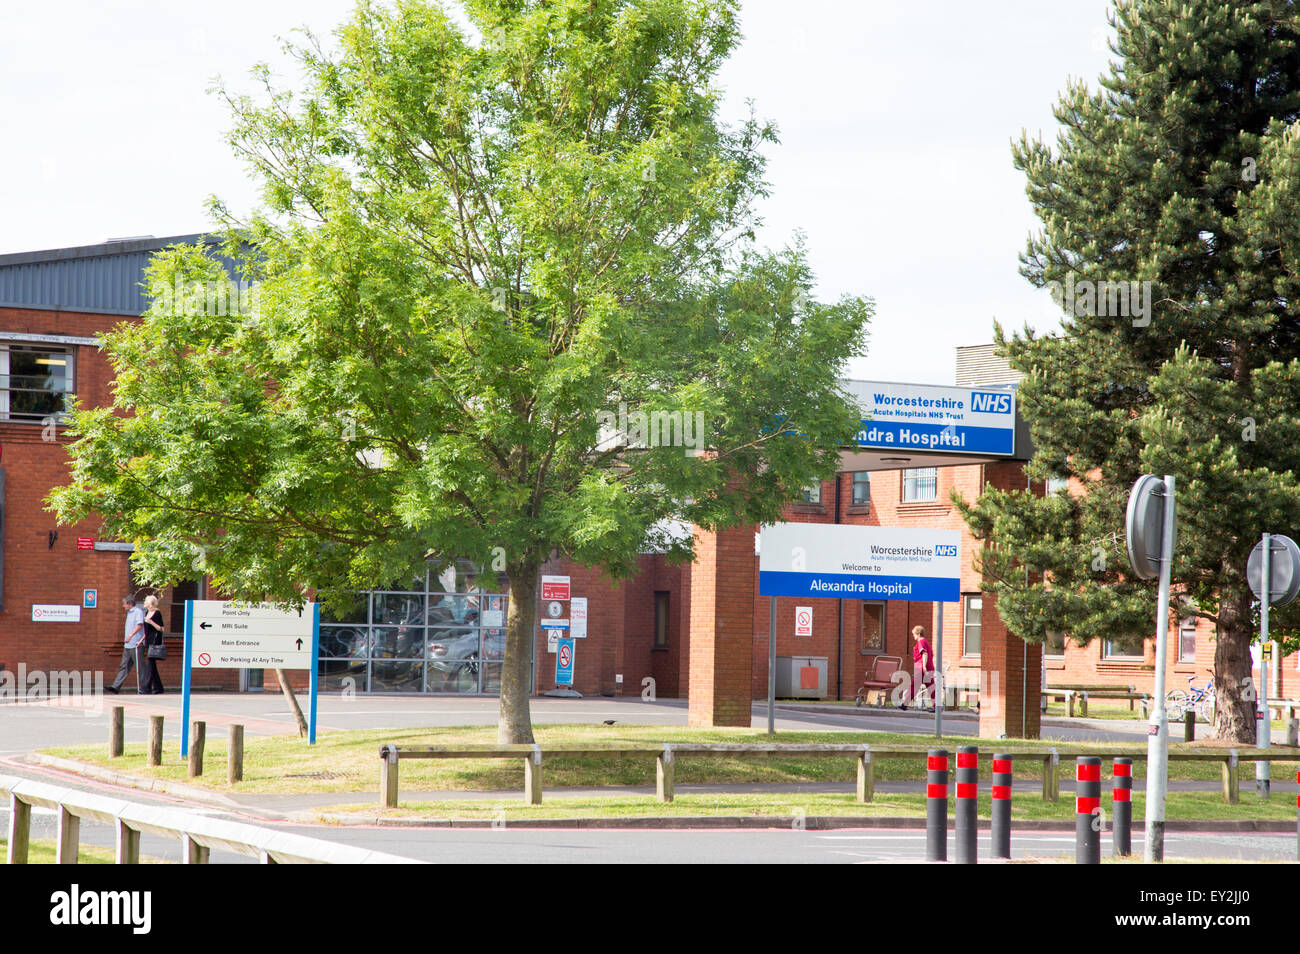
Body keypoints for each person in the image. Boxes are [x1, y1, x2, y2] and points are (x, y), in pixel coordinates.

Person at [106, 595, 146, 694]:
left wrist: (131, 635)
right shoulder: (129, 613)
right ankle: (116, 686)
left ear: (129, 604)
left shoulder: (138, 612)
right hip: (128, 645)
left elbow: (139, 625)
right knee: (124, 666)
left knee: (140, 667)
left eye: (124, 604)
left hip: (136, 643)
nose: (123, 606)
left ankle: (143, 688)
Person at [899, 624, 935, 710]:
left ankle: (905, 704)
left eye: (914, 634)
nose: (913, 636)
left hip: (922, 668)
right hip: (929, 667)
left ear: (918, 634)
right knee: (931, 687)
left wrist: (923, 666)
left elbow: (924, 654)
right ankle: (937, 706)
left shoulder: (920, 642)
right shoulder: (926, 642)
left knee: (914, 686)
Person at [139, 595, 166, 694]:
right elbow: (147, 631)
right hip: (148, 641)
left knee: (150, 664)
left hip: (155, 642)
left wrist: (151, 622)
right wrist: (141, 640)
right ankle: (159, 688)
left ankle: (145, 688)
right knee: (152, 666)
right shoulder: (147, 612)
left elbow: (161, 628)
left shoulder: (157, 613)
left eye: (146, 601)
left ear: (150, 603)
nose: (144, 602)